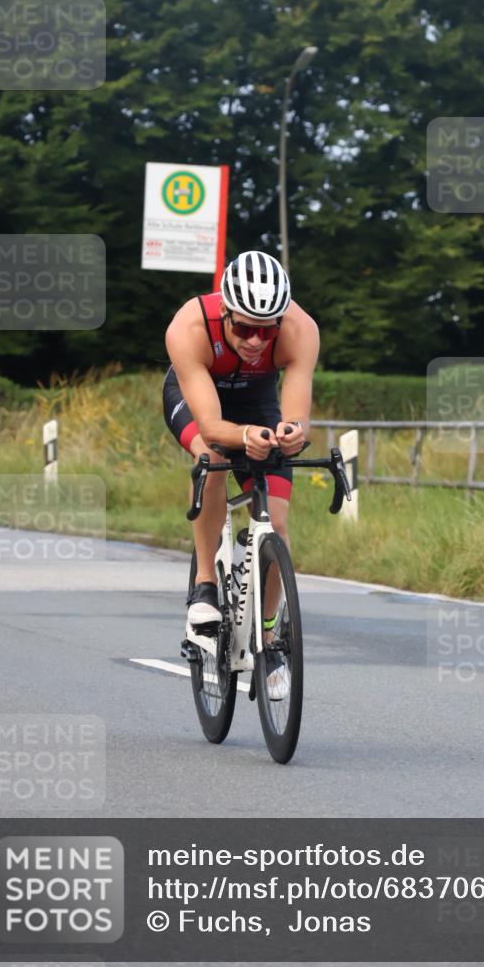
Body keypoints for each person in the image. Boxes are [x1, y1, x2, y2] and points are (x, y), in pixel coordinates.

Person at [163, 250, 319, 695]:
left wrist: (291, 434)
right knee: (213, 456)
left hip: (256, 399)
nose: (254, 340)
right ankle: (205, 586)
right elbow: (212, 425)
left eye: (264, 331)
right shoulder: (190, 327)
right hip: (199, 396)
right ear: (225, 312)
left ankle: (269, 638)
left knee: (279, 522)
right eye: (244, 328)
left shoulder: (300, 330)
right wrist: (243, 435)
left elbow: (297, 410)